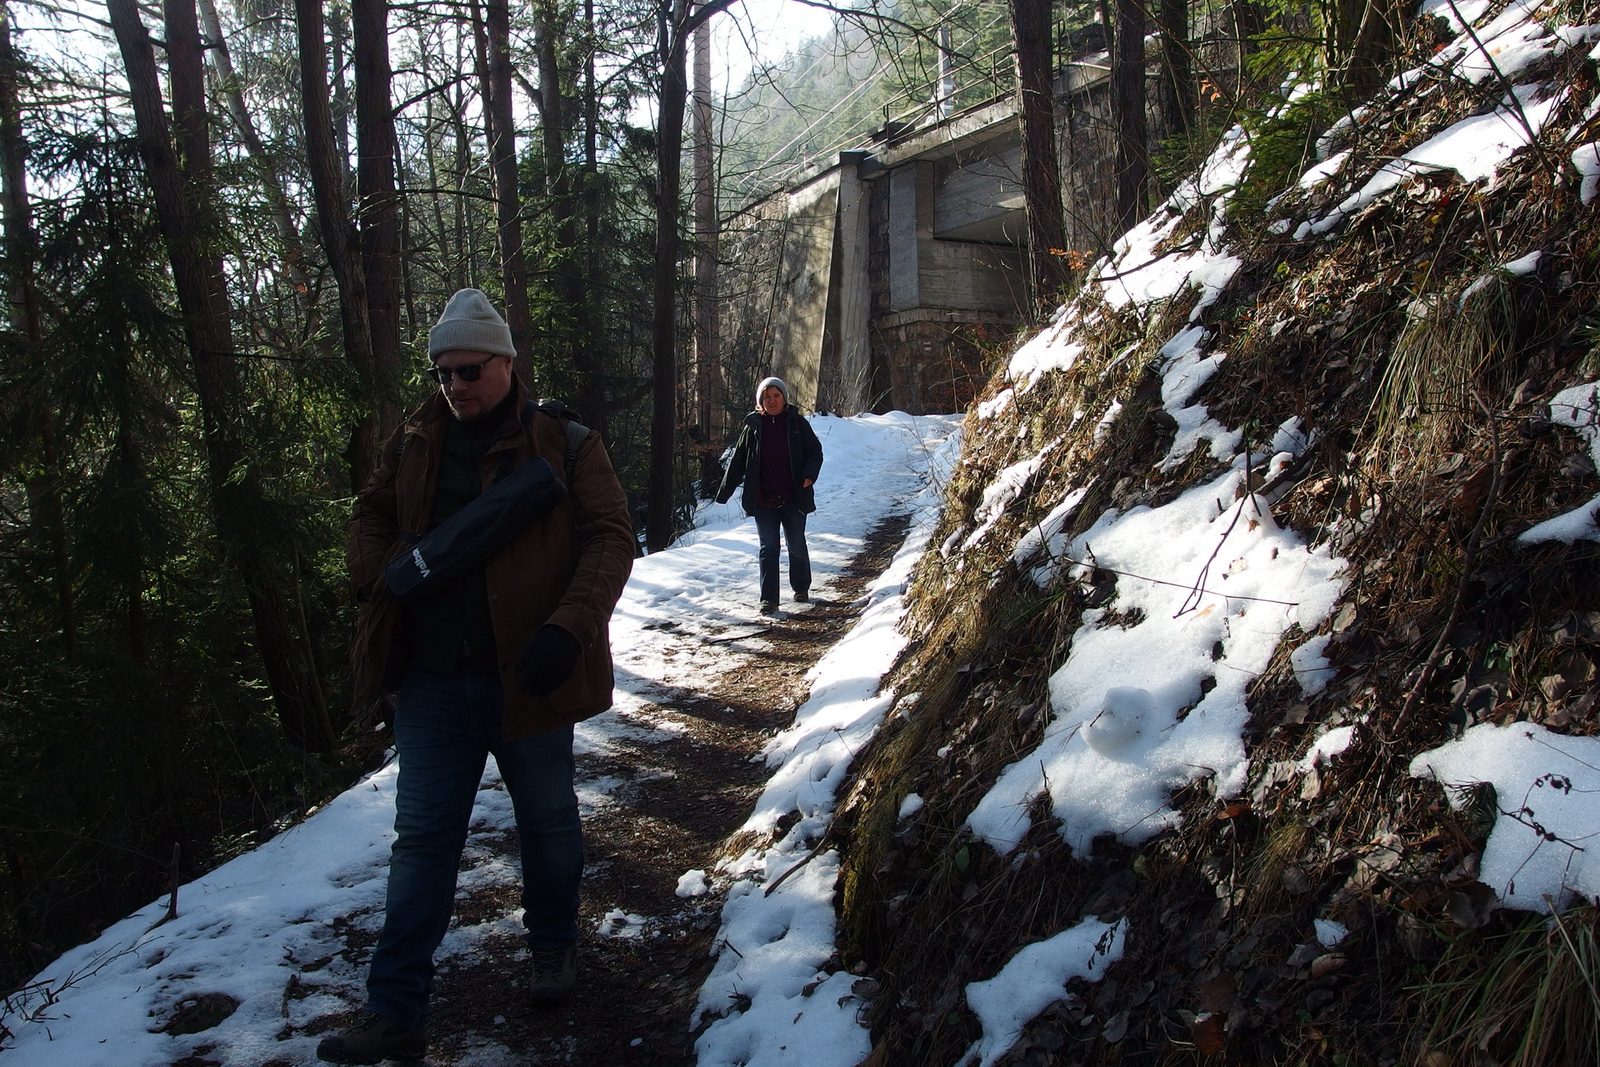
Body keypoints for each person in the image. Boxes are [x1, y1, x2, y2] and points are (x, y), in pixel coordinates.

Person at [318, 289, 635, 1065]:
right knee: (422, 842)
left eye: (468, 370)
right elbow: (370, 514)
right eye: (442, 372)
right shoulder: (417, 438)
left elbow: (610, 536)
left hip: (530, 675)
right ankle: (395, 1010)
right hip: (431, 680)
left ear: (505, 363)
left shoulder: (563, 440)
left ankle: (553, 945)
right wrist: (382, 571)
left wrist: (569, 627)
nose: (454, 385)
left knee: (550, 826)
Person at [715, 376, 824, 615]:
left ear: (784, 398)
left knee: (796, 544)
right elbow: (738, 463)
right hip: (763, 499)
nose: (772, 400)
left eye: (776, 396)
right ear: (760, 401)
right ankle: (769, 600)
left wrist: (809, 475)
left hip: (794, 496)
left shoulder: (796, 423)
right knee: (768, 548)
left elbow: (815, 452)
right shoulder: (753, 427)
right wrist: (724, 493)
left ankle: (801, 586)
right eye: (767, 396)